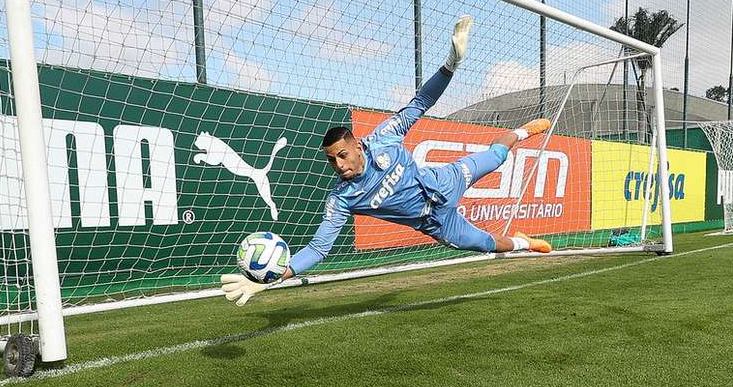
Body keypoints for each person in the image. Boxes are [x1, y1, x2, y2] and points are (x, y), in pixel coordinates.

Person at [222, 15, 552, 305]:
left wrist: (450, 64)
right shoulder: (341, 200)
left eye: (342, 155)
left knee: (495, 156)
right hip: (436, 222)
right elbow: (319, 248)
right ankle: (523, 241)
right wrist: (272, 278)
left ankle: (522, 132)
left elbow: (421, 101)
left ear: (357, 146)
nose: (339, 165)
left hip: (443, 181)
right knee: (485, 244)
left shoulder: (384, 137)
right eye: (332, 161)